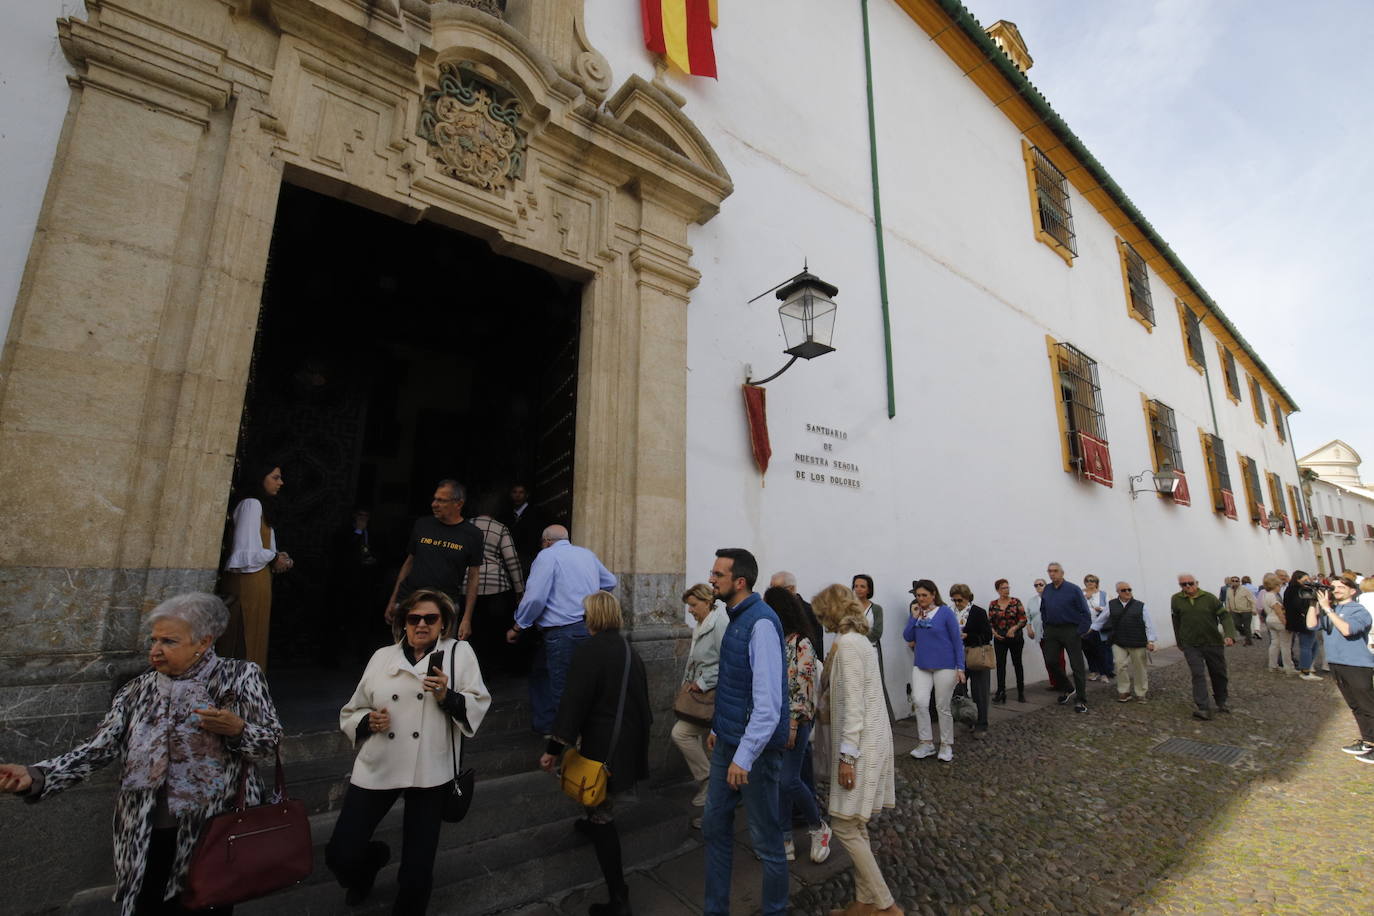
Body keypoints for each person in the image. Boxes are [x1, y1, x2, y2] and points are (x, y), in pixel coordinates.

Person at [0, 593, 284, 916]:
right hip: (145, 831)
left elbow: (270, 741)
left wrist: (238, 730)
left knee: (206, 906)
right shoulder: (137, 690)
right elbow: (99, 748)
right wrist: (36, 775)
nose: (155, 650)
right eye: (154, 640)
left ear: (203, 642)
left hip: (212, 832)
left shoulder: (239, 677)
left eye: (169, 641)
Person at [327, 588, 491, 914]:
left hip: (430, 767)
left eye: (430, 619)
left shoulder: (460, 654)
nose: (421, 625)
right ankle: (368, 866)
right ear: (403, 623)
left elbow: (478, 702)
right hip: (379, 762)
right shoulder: (382, 657)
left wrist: (447, 696)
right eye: (413, 618)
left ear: (443, 624)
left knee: (417, 869)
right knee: (341, 853)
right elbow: (352, 710)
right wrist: (366, 721)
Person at [539, 592, 652, 914]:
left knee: (603, 816)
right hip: (626, 745)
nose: (583, 617)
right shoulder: (630, 650)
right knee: (600, 804)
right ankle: (591, 823)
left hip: (604, 748)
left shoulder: (589, 651)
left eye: (586, 613)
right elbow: (643, 704)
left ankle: (619, 898)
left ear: (594, 617)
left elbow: (572, 704)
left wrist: (553, 750)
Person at [702, 548, 788, 916]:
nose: (711, 579)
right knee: (713, 826)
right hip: (729, 744)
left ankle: (775, 910)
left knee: (767, 841)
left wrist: (744, 755)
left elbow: (768, 704)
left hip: (753, 754)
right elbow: (735, 683)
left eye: (718, 575)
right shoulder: (736, 616)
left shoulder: (762, 623)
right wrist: (719, 728)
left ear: (739, 582)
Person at [811, 584, 901, 916]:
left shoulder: (848, 646)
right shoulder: (859, 641)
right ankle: (863, 904)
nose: (819, 619)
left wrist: (847, 757)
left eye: (821, 612)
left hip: (861, 745)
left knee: (845, 825)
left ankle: (886, 905)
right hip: (872, 740)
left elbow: (853, 708)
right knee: (855, 822)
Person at [508, 525, 617, 734]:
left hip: (561, 633)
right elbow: (610, 582)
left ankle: (565, 744)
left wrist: (518, 625)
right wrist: (588, 598)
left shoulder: (547, 556)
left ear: (546, 541)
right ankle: (548, 726)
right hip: (589, 628)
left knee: (562, 690)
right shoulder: (587, 554)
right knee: (554, 676)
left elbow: (535, 598)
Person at [762, 586, 830, 864]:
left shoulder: (801, 642)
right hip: (774, 720)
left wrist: (791, 723)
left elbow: (802, 686)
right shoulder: (775, 638)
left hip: (795, 721)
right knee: (781, 779)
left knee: (788, 779)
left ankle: (818, 826)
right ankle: (784, 834)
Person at [384, 480, 483, 641]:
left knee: (437, 659)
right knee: (401, 654)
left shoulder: (473, 535)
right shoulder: (422, 525)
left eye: (441, 500)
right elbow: (408, 563)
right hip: (409, 599)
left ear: (459, 504)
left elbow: (473, 578)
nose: (434, 504)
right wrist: (393, 599)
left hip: (444, 606)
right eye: (434, 499)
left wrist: (467, 618)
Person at [222, 460, 292, 669]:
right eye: (275, 477)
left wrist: (278, 557)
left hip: (259, 579)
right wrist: (273, 558)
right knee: (244, 635)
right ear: (260, 477)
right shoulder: (251, 503)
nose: (281, 482)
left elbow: (261, 547)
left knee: (255, 634)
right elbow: (246, 551)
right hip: (248, 580)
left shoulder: (260, 505)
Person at [672, 584, 727, 817]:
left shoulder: (719, 623)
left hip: (713, 695)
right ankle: (715, 791)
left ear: (707, 602)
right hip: (700, 696)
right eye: (689, 606)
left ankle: (709, 782)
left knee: (681, 733)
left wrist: (703, 682)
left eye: (694, 605)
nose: (691, 610)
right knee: (710, 744)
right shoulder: (702, 624)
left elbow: (728, 660)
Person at [1307, 576, 1374, 763]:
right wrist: (1314, 604)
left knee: (1368, 706)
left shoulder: (1359, 611)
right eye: (1334, 587)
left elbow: (1347, 630)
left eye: (1341, 587)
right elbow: (1311, 625)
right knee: (1355, 706)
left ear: (1352, 591)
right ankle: (1368, 741)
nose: (1336, 590)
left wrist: (1327, 609)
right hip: (1337, 663)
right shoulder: (1334, 610)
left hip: (1357, 664)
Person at [903, 579, 964, 762]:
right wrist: (913, 618)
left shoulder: (945, 613)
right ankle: (926, 742)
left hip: (945, 664)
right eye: (918, 595)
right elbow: (907, 636)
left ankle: (946, 745)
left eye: (924, 595)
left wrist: (960, 667)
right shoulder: (917, 614)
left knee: (942, 706)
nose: (920, 599)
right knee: (920, 701)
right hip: (922, 664)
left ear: (933, 595)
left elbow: (956, 641)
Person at [467, 494, 525, 675]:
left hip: (467, 587)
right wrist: (519, 591)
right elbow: (512, 561)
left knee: (471, 630)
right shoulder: (500, 528)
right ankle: (492, 670)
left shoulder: (465, 527)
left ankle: (471, 670)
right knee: (493, 630)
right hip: (496, 587)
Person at [1170, 574, 1236, 720]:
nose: (1187, 586)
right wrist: (1179, 641)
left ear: (1196, 583)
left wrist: (1229, 634)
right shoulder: (1176, 599)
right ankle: (1203, 707)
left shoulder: (1209, 598)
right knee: (1197, 673)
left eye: (1190, 583)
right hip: (1191, 644)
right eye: (1183, 584)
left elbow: (1224, 616)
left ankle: (1221, 700)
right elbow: (1176, 620)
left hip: (1213, 642)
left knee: (1218, 673)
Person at [1039, 562, 1091, 713]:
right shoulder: (1047, 589)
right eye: (1049, 571)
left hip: (1070, 629)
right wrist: (1046, 625)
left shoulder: (1073, 589)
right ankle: (1068, 687)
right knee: (1051, 661)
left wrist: (1080, 631)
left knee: (1077, 665)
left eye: (1055, 571)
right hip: (1052, 630)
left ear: (1062, 573)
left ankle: (1081, 699)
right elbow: (1043, 609)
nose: (1052, 574)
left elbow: (1085, 612)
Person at [1102, 582, 1156, 702]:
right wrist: (1090, 629)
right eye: (1124, 590)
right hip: (1118, 640)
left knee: (1139, 667)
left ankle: (1141, 692)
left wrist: (1151, 640)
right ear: (1118, 592)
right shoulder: (1111, 605)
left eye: (1129, 589)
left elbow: (1149, 624)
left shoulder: (1140, 605)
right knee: (1119, 665)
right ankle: (1124, 691)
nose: (1127, 592)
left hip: (1137, 640)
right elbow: (1102, 619)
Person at [949, 584, 991, 735]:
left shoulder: (978, 612)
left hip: (975, 654)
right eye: (954, 600)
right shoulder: (950, 612)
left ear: (967, 598)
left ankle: (982, 723)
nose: (957, 603)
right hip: (956, 656)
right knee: (959, 690)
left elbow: (987, 635)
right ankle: (967, 719)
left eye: (959, 600)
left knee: (979, 691)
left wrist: (969, 636)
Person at [852, 574, 895, 721]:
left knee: (874, 685)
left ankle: (881, 719)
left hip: (871, 651)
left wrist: (856, 634)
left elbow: (877, 633)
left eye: (862, 586)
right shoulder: (848, 608)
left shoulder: (876, 609)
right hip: (852, 652)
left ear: (869, 589)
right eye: (856, 585)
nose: (858, 589)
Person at [988, 578, 1028, 704]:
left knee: (1017, 663)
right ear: (997, 590)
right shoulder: (993, 604)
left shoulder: (1016, 602)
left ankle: (1021, 691)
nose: (1006, 590)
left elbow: (1023, 619)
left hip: (1015, 638)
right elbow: (989, 622)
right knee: (1000, 664)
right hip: (1000, 639)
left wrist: (1014, 629)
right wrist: (993, 632)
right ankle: (1001, 691)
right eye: (1003, 588)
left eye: (1007, 587)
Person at [769, 570, 825, 659]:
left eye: (777, 590)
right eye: (770, 589)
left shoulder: (810, 612)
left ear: (791, 589)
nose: (772, 595)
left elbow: (817, 646)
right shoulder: (770, 611)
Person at [502, 482, 547, 580]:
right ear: (510, 494)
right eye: (515, 492)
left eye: (521, 492)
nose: (517, 495)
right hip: (510, 559)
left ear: (527, 495)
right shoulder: (506, 515)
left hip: (529, 559)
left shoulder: (536, 513)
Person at [1284, 571, 1320, 680]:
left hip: (1298, 621)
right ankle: (1305, 671)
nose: (1307, 582)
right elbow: (1300, 605)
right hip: (1303, 621)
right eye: (1305, 580)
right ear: (1298, 579)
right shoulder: (1298, 590)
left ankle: (1305, 667)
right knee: (1307, 646)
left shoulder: (1290, 589)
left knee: (1313, 645)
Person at [1081, 575, 1113, 682]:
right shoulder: (1081, 594)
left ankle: (1104, 672)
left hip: (1100, 627)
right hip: (1086, 626)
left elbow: (1110, 607)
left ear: (1096, 583)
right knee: (1088, 650)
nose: (1090, 582)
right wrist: (1085, 597)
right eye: (1087, 581)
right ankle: (1093, 671)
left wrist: (1102, 608)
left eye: (1092, 581)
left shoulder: (1103, 594)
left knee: (1102, 650)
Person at [1259, 573, 1291, 672]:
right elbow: (1279, 612)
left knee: (1274, 643)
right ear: (1276, 585)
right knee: (1285, 645)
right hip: (1277, 620)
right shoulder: (1273, 596)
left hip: (1269, 620)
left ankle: (1272, 665)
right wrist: (1286, 623)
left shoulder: (1265, 595)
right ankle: (1288, 666)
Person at [1223, 575, 1258, 646]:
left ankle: (1248, 641)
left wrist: (1254, 609)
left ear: (1239, 582)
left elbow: (1252, 600)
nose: (1234, 582)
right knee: (1235, 624)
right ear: (1230, 582)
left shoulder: (1245, 589)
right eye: (1233, 581)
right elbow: (1227, 600)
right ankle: (1245, 633)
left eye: (1236, 581)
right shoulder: (1229, 590)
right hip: (1234, 611)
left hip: (1246, 611)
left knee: (1247, 626)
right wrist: (1227, 609)